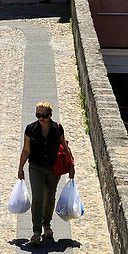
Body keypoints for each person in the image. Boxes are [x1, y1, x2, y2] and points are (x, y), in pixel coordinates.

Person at [17, 101, 74, 245]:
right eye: (38, 115)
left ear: (50, 114)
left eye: (44, 115)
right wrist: (20, 168)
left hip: (53, 168)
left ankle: (47, 224)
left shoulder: (57, 128)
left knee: (50, 196)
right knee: (38, 197)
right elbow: (26, 150)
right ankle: (36, 231)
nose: (41, 118)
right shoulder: (31, 129)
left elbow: (64, 146)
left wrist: (71, 164)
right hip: (36, 167)